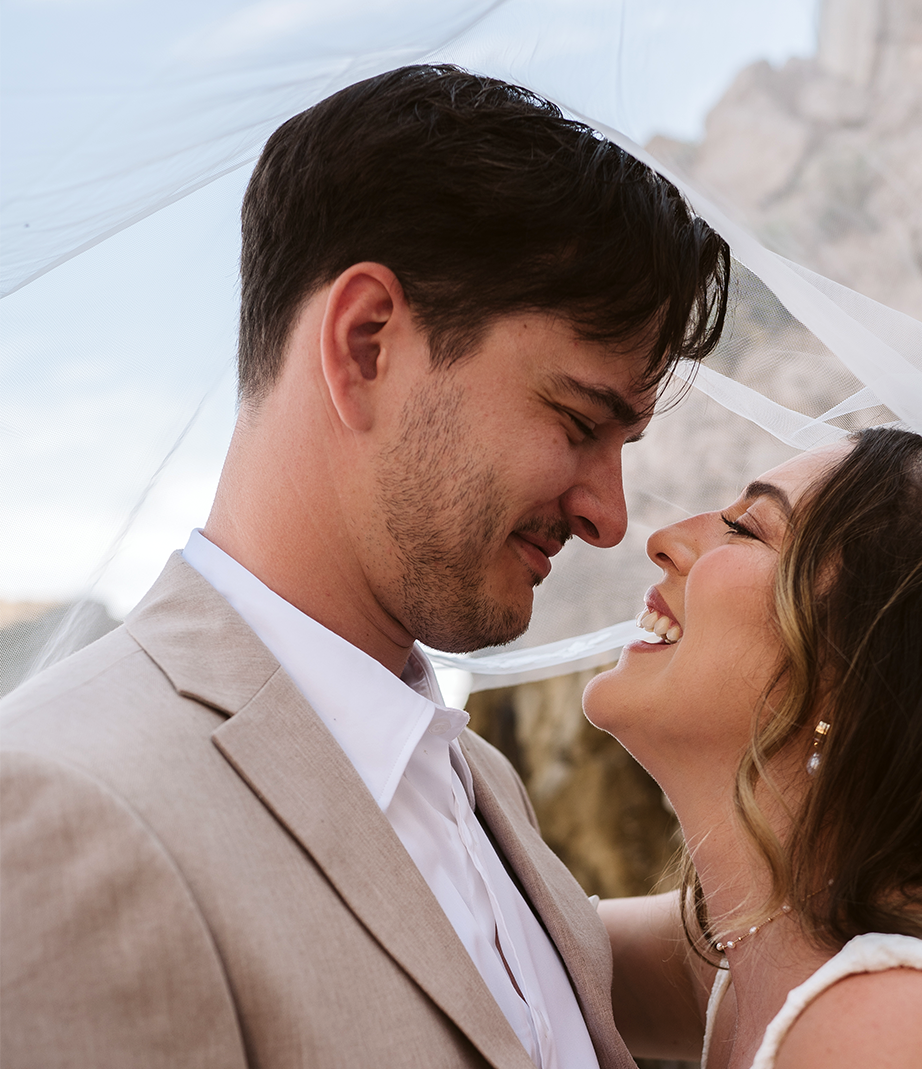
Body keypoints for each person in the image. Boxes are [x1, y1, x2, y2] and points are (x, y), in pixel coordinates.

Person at [0, 65, 731, 1068]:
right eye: (575, 420)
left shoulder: (478, 786)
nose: (609, 515)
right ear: (368, 343)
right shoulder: (64, 811)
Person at [588, 427, 922, 1068]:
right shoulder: (760, 949)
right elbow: (494, 939)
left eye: (744, 528)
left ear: (865, 671)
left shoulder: (900, 1029)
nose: (664, 541)